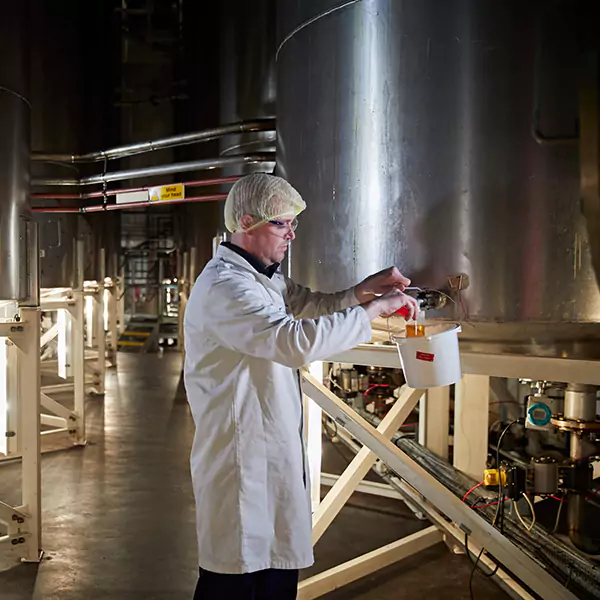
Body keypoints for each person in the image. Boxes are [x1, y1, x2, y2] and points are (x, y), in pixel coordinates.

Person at [184, 173, 418, 600]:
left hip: (269, 450)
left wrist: (363, 291)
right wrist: (377, 310)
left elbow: (311, 306)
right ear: (246, 222)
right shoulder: (226, 287)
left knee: (274, 575)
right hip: (240, 460)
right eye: (281, 224)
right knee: (233, 580)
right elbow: (293, 341)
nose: (291, 233)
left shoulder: (265, 279)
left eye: (293, 224)